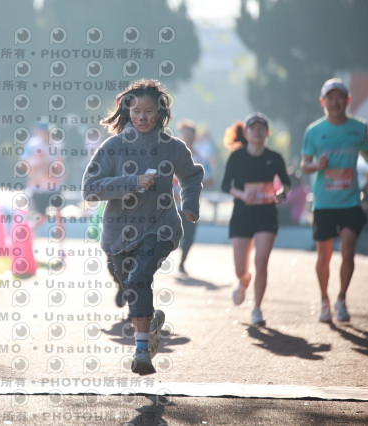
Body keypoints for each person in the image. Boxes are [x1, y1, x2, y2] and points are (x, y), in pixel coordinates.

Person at [82, 79, 204, 375]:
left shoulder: (173, 148)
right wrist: (132, 182)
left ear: (160, 112)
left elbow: (191, 176)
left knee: (138, 279)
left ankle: (141, 353)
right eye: (136, 111)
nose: (142, 117)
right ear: (128, 111)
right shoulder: (113, 147)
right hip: (118, 235)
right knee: (135, 289)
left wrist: (189, 204)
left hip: (160, 228)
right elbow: (89, 189)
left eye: (149, 111)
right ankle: (150, 324)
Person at [301, 78, 368, 323]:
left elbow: (367, 154)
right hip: (324, 203)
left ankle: (341, 298)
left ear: (347, 100)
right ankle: (324, 301)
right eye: (330, 98)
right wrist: (317, 165)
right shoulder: (314, 131)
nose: (335, 102)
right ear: (323, 102)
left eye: (339, 97)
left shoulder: (358, 127)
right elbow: (305, 165)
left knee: (348, 253)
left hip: (350, 202)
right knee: (324, 257)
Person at [222, 112, 291, 326]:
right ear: (247, 133)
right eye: (253, 128)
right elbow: (225, 185)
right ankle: (244, 281)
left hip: (266, 214)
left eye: (261, 128)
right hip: (242, 215)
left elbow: (286, 183)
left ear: (267, 132)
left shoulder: (275, 157)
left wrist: (281, 194)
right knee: (240, 269)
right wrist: (242, 195)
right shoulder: (237, 157)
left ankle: (257, 309)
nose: (257, 132)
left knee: (261, 261)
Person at [175, 119, 213, 274]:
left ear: (195, 137)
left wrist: (199, 180)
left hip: (191, 205)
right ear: (181, 136)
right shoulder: (173, 155)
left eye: (191, 135)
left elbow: (210, 179)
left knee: (189, 236)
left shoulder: (201, 157)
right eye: (185, 135)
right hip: (172, 203)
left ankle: (182, 263)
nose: (188, 138)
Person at [22, 121, 66, 256]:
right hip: (39, 188)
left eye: (49, 132)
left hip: (54, 187)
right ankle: (25, 239)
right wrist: (40, 168)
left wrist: (55, 171)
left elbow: (60, 166)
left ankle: (61, 249)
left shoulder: (57, 145)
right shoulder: (32, 145)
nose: (47, 135)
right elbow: (25, 166)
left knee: (59, 216)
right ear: (39, 132)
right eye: (44, 132)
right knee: (42, 217)